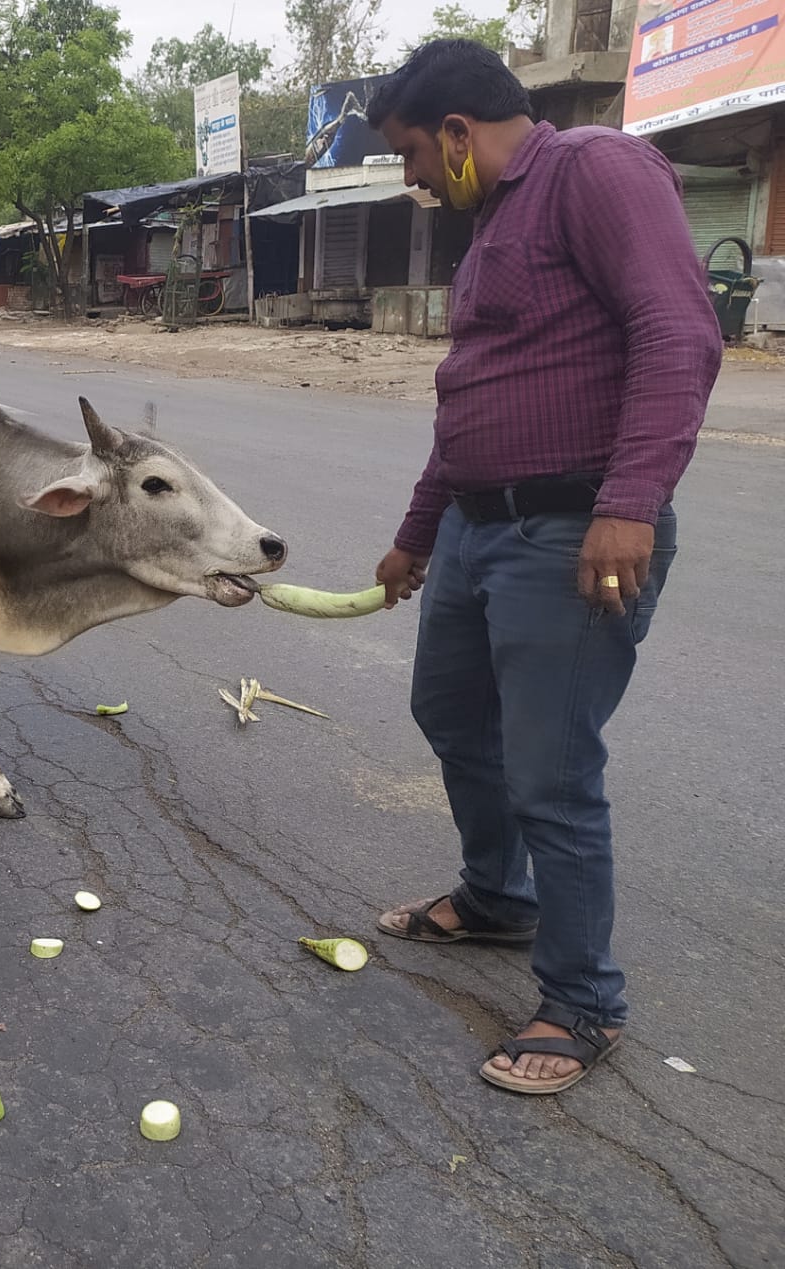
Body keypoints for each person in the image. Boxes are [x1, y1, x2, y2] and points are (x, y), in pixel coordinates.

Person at [365, 41, 722, 1094]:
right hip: (480, 531)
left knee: (551, 775)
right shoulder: (487, 233)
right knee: (447, 714)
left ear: (461, 133)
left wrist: (626, 506)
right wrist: (419, 530)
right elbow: (470, 394)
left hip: (572, 534)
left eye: (413, 153)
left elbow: (676, 336)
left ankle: (581, 1003)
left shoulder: (595, 172)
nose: (411, 177)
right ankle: (494, 900)